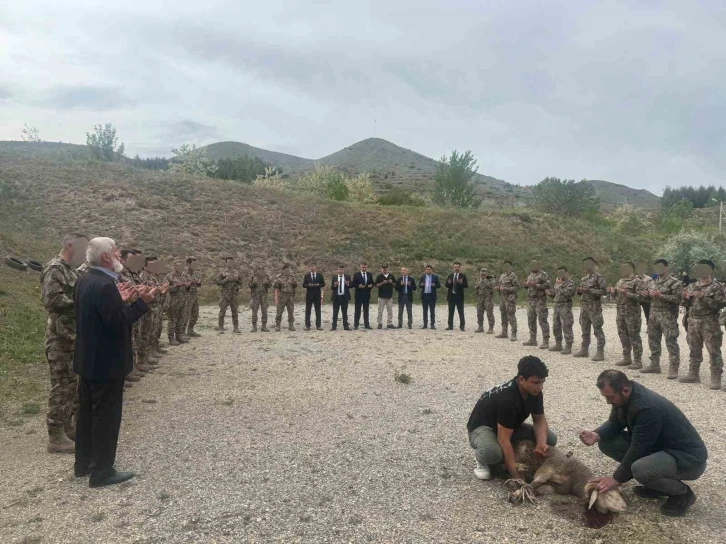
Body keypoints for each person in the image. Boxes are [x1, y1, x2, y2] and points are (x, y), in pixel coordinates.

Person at [74, 237, 155, 487]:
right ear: (106, 257)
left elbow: (100, 316)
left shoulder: (85, 279)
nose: (119, 255)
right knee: (106, 418)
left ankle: (83, 464)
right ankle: (102, 472)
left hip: (88, 360)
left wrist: (119, 300)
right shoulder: (105, 285)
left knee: (87, 415)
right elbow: (117, 322)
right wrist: (142, 303)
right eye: (116, 251)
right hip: (107, 364)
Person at [580, 370, 707, 517]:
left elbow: (638, 448)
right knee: (606, 441)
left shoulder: (647, 408)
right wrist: (597, 434)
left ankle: (682, 494)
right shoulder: (624, 397)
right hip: (661, 449)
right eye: (605, 397)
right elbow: (615, 423)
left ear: (625, 390)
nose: (608, 402)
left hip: (688, 460)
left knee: (641, 470)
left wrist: (616, 479)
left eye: (610, 397)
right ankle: (658, 484)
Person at [467, 356, 557, 481]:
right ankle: (481, 459)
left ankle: (508, 453)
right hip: (483, 428)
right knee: (492, 454)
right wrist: (516, 476)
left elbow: (539, 420)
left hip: (508, 425)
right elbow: (504, 439)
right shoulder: (507, 399)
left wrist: (541, 443)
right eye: (536, 382)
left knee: (550, 439)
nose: (540, 387)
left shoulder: (534, 392)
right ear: (521, 379)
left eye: (542, 382)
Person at [40, 232, 89, 453]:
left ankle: (67, 427)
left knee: (72, 385)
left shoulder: (71, 270)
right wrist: (81, 300)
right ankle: (55, 436)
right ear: (70, 246)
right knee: (62, 386)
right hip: (60, 338)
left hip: (73, 335)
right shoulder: (55, 268)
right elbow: (51, 299)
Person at [682, 259, 724, 390]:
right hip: (692, 321)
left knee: (713, 350)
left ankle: (716, 378)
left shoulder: (717, 287)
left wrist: (703, 298)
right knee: (693, 348)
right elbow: (684, 305)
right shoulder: (692, 285)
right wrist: (685, 298)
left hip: (709, 322)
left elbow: (720, 304)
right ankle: (693, 374)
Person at [641, 259, 682, 378]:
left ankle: (673, 368)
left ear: (666, 267)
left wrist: (660, 295)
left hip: (667, 315)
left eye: (660, 267)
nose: (658, 270)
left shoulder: (674, 282)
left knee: (671, 341)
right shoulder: (653, 282)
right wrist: (647, 295)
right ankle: (654, 365)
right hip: (653, 314)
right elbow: (650, 299)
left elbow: (677, 300)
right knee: (653, 339)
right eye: (656, 268)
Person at [608, 262, 645, 370]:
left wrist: (627, 293)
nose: (623, 270)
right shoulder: (620, 281)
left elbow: (641, 298)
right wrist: (612, 292)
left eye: (625, 268)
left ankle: (638, 361)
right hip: (620, 312)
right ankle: (626, 358)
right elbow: (616, 295)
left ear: (631, 269)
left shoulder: (637, 281)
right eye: (622, 268)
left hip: (632, 313)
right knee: (622, 335)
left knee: (634, 336)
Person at [574, 257, 607, 361]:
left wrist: (590, 291)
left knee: (597, 328)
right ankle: (584, 349)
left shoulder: (599, 277)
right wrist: (579, 291)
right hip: (584, 305)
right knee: (584, 328)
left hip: (594, 306)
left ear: (593, 264)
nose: (587, 265)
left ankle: (600, 351)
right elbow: (581, 291)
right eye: (585, 264)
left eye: (589, 263)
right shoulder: (584, 278)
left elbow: (603, 291)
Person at [547, 266, 575, 354]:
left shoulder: (570, 283)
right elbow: (554, 294)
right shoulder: (557, 282)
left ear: (566, 273)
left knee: (566, 326)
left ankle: (568, 346)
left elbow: (568, 293)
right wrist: (548, 293)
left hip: (565, 306)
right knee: (556, 326)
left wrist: (560, 285)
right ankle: (558, 344)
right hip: (556, 306)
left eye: (562, 272)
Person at [523, 260, 551, 349]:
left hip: (540, 300)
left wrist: (535, 285)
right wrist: (526, 285)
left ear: (539, 265)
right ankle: (532, 339)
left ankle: (545, 341)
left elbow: (548, 285)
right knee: (531, 320)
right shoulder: (530, 275)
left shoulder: (543, 274)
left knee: (542, 320)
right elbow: (528, 286)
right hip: (531, 300)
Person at [165, 260, 189, 344]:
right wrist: (176, 285)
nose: (180, 268)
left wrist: (188, 285)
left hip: (183, 300)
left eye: (181, 266)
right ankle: (171, 338)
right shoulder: (169, 277)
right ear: (174, 266)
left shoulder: (184, 276)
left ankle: (179, 336)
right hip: (173, 301)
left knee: (181, 319)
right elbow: (166, 288)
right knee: (172, 320)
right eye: (178, 266)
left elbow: (186, 288)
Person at [216, 257, 241, 334]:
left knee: (235, 311)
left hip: (234, 294)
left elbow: (241, 282)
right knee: (222, 311)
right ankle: (220, 327)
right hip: (225, 294)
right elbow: (218, 282)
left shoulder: (236, 272)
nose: (230, 263)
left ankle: (236, 327)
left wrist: (237, 281)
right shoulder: (222, 272)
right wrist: (225, 280)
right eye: (229, 262)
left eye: (232, 262)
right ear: (226, 263)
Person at [495, 261, 519, 341]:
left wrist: (506, 289)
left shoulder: (513, 276)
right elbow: (500, 286)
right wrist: (498, 288)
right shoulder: (502, 276)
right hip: (502, 298)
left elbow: (516, 288)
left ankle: (514, 333)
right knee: (503, 315)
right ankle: (504, 332)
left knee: (511, 315)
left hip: (510, 299)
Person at [273, 264, 297, 332]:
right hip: (282, 296)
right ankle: (278, 325)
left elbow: (295, 286)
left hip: (290, 296)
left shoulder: (292, 277)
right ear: (283, 270)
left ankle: (291, 325)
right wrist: (276, 285)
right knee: (279, 311)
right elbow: (274, 286)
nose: (287, 271)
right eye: (286, 269)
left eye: (288, 269)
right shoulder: (279, 277)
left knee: (291, 311)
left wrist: (295, 284)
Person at [445, 262, 468, 331]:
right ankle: (450, 326)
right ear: (453, 268)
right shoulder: (450, 276)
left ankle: (462, 326)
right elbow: (446, 285)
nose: (456, 268)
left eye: (458, 267)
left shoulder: (463, 276)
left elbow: (466, 285)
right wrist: (448, 283)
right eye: (455, 267)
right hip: (451, 297)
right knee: (450, 312)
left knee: (461, 312)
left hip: (459, 297)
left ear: (460, 268)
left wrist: (461, 283)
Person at [249, 263, 271, 332]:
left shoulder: (266, 276)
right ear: (257, 270)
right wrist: (253, 284)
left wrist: (267, 283)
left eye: (262, 269)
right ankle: (254, 326)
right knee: (254, 311)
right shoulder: (253, 276)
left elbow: (270, 285)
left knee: (264, 311)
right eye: (259, 269)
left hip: (264, 296)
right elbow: (249, 285)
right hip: (255, 296)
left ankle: (264, 326)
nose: (261, 270)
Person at [183, 258, 202, 338]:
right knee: (185, 314)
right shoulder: (183, 274)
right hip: (186, 295)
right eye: (193, 264)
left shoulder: (195, 273)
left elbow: (197, 285)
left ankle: (190, 330)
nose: (195, 266)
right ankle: (182, 332)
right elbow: (183, 285)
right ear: (188, 264)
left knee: (195, 314)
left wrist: (199, 282)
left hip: (194, 295)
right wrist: (189, 283)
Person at [302, 263, 325, 331]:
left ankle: (318, 325)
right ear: (309, 268)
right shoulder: (307, 276)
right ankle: (307, 326)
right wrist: (308, 285)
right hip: (309, 296)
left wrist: (319, 284)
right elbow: (304, 285)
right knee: (308, 311)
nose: (312, 268)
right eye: (311, 267)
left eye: (313, 266)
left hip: (317, 295)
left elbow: (323, 284)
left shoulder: (319, 275)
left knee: (318, 311)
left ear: (315, 267)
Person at [352, 262, 374, 329]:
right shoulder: (356, 274)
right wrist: (358, 286)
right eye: (363, 267)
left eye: (365, 267)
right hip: (359, 295)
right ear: (360, 267)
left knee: (366, 310)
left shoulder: (369, 274)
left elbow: (372, 283)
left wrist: (371, 285)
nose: (364, 268)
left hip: (366, 295)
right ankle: (356, 325)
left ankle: (366, 325)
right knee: (357, 310)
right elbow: (353, 283)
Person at [474, 268, 496, 334]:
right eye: (481, 272)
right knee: (479, 313)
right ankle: (480, 327)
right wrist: (481, 281)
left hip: (488, 299)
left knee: (489, 313)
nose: (483, 274)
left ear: (487, 273)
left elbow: (491, 286)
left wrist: (484, 280)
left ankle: (491, 328)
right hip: (480, 299)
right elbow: (475, 287)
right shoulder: (478, 280)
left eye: (484, 272)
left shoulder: (491, 279)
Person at [419, 265, 441, 329]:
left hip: (432, 296)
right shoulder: (422, 277)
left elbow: (439, 285)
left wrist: (434, 285)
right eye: (427, 269)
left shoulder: (435, 277)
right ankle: (425, 324)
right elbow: (419, 285)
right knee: (425, 311)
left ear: (431, 270)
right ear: (425, 270)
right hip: (424, 296)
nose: (428, 270)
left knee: (432, 311)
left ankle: (432, 324)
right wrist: (421, 285)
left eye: (429, 269)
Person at [374, 264, 396, 329]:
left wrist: (392, 282)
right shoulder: (379, 276)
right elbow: (376, 285)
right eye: (383, 268)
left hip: (389, 296)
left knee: (390, 310)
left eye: (386, 268)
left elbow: (395, 285)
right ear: (382, 268)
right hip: (381, 296)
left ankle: (389, 323)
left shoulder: (391, 276)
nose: (385, 269)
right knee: (380, 310)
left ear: (387, 268)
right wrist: (382, 283)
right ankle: (379, 323)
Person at [331, 265, 351, 331]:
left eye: (342, 269)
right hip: (336, 297)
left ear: (343, 270)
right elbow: (332, 287)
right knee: (335, 312)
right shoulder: (334, 277)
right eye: (339, 269)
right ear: (337, 270)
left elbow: (351, 285)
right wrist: (335, 285)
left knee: (344, 312)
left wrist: (348, 284)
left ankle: (346, 326)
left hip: (344, 297)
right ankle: (334, 326)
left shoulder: (347, 277)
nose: (340, 271)